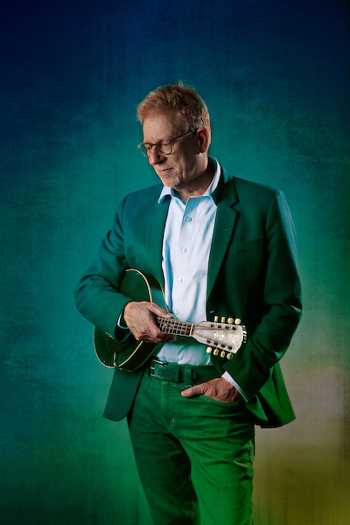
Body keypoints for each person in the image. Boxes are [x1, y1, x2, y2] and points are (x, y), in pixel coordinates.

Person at [74, 83, 302, 525]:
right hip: (146, 396)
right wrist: (127, 311)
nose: (154, 158)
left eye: (165, 144)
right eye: (146, 146)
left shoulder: (262, 205)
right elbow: (89, 286)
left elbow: (285, 307)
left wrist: (236, 382)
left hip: (217, 395)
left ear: (201, 138)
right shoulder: (134, 208)